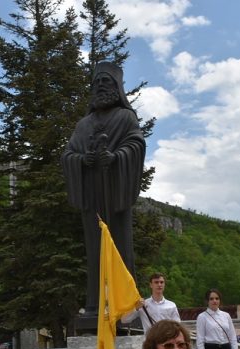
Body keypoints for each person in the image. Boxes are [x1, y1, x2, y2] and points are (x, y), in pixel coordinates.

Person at [62, 61, 146, 315]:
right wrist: (81, 160)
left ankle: (123, 305)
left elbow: (136, 144)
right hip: (93, 198)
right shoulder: (83, 125)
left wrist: (117, 157)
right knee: (95, 250)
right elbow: (68, 153)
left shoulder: (125, 117)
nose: (100, 86)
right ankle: (95, 305)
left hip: (116, 192)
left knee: (120, 248)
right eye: (96, 82)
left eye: (106, 81)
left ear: (117, 87)